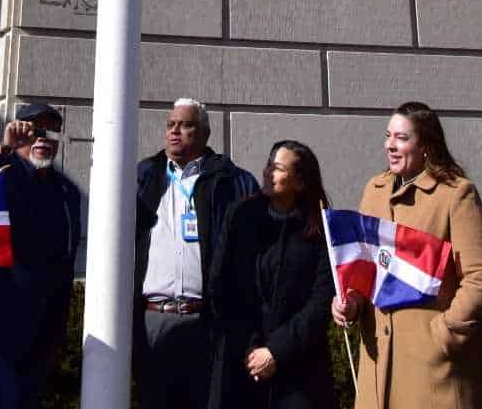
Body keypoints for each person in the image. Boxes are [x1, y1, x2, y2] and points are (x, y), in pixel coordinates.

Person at [334, 100, 482, 409]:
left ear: (426, 145)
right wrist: (351, 303)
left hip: (436, 374)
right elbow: (367, 269)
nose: (390, 146)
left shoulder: (456, 193)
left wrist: (444, 334)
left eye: (401, 138)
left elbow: (481, 276)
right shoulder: (375, 189)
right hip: (379, 367)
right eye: (388, 136)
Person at [0, 102, 81, 409]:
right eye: (35, 131)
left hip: (41, 331)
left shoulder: (66, 192)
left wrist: (58, 328)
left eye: (51, 132)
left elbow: (65, 260)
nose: (43, 139)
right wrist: (0, 149)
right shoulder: (0, 174)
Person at [134, 98, 258, 409]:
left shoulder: (232, 181)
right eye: (170, 125)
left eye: (185, 125)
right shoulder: (144, 176)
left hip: (206, 321)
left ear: (205, 133)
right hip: (154, 319)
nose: (175, 131)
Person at [207, 139, 335, 409]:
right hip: (241, 362)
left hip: (299, 369)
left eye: (277, 168)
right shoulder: (241, 216)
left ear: (300, 182)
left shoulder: (320, 228)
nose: (267, 173)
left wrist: (276, 350)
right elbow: (221, 286)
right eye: (268, 165)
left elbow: (321, 300)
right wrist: (251, 348)